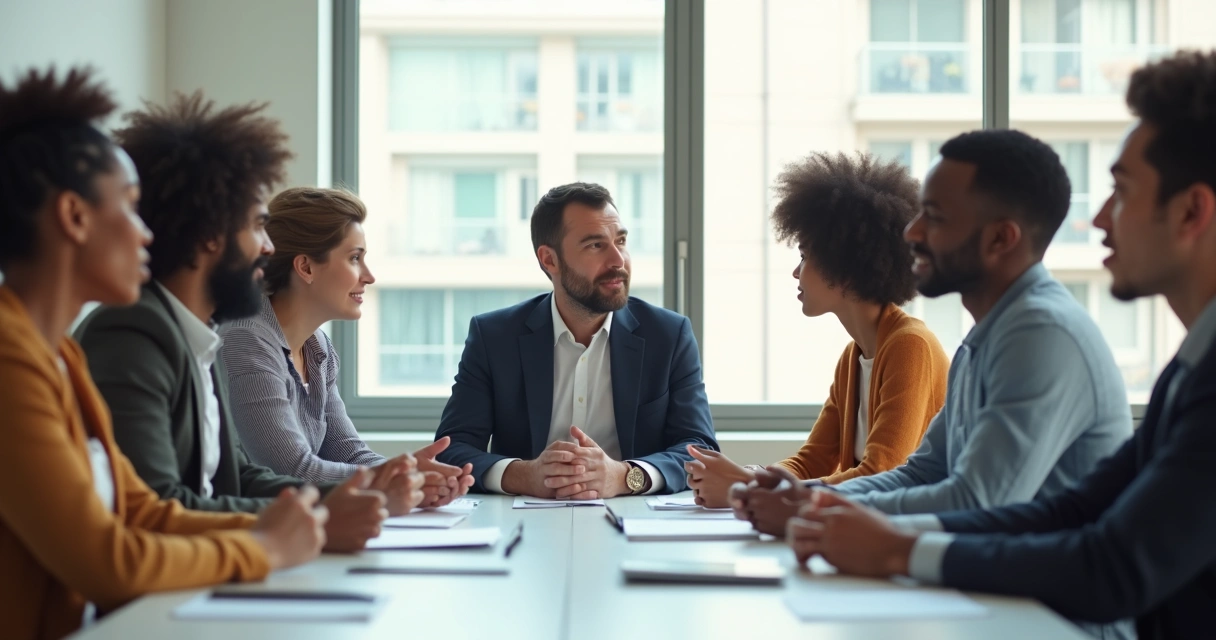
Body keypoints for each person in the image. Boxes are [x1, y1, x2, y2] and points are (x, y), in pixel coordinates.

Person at [786, 49, 1216, 640]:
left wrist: (898, 549)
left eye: (1122, 190)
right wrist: (822, 506)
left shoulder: (1045, 333)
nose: (1101, 220)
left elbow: (1107, 562)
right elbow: (1067, 512)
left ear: (1192, 210)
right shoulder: (1188, 368)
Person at [0, 67, 326, 640]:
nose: (146, 232)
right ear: (74, 218)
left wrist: (310, 515)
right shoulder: (10, 359)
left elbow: (143, 511)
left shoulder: (58, 358)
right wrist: (261, 547)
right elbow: (108, 562)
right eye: (128, 208)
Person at [730, 129, 1132, 536]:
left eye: (935, 217)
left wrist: (811, 511)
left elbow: (975, 501)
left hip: (1040, 596)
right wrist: (807, 499)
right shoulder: (983, 341)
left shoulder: (1041, 334)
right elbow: (921, 472)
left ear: (1000, 238)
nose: (911, 232)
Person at [74, 93, 420, 552]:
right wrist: (320, 517)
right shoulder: (133, 333)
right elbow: (159, 505)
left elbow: (237, 476)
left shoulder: (199, 336)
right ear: (210, 236)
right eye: (257, 227)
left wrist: (366, 490)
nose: (268, 247)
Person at [684, 152, 949, 508]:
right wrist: (748, 476)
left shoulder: (909, 346)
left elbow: (880, 473)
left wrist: (745, 488)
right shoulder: (853, 357)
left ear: (845, 265)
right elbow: (812, 460)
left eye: (805, 255)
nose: (797, 272)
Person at [435, 182, 718, 498]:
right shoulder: (494, 337)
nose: (618, 260)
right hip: (524, 523)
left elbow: (700, 449)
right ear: (549, 260)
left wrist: (624, 477)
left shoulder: (668, 335)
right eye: (596, 245)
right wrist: (524, 476)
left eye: (620, 241)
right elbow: (451, 449)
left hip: (635, 521)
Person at [218, 186, 474, 505]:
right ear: (306, 268)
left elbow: (349, 452)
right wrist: (392, 479)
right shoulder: (247, 340)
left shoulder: (318, 348)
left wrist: (414, 475)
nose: (369, 276)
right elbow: (292, 470)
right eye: (355, 258)